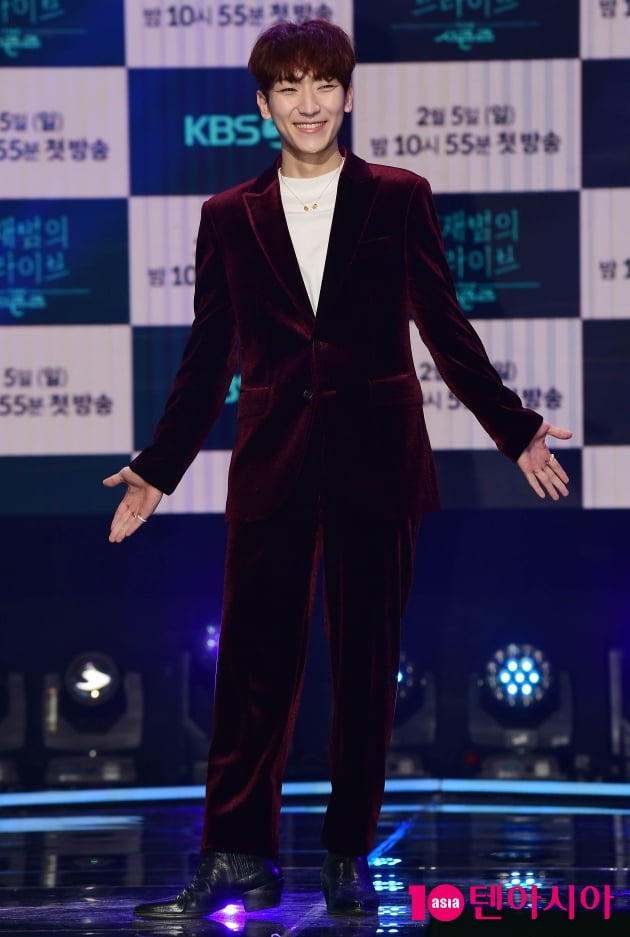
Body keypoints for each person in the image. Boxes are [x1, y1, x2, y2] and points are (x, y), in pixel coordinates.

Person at [103, 19, 571, 920]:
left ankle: (347, 849)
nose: (308, 102)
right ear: (263, 105)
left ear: (348, 96)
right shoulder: (228, 216)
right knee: (251, 667)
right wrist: (160, 467)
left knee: (366, 666)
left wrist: (514, 429)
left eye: (323, 84)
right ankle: (237, 855)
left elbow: (444, 325)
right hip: (272, 462)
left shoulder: (398, 196)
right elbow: (207, 356)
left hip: (377, 459)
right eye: (288, 87)